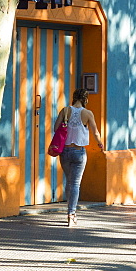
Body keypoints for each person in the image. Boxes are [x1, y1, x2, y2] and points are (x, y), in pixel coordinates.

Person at [52, 88, 105, 227]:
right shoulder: (87, 113)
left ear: (74, 97)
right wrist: (100, 144)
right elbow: (95, 132)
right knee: (75, 184)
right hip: (79, 152)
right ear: (85, 99)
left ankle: (70, 211)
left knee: (69, 181)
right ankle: (71, 214)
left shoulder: (65, 111)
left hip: (65, 152)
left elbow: (55, 128)